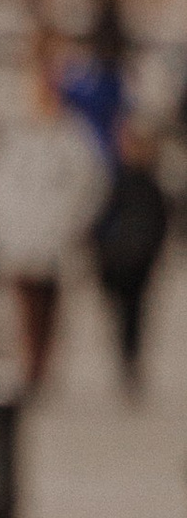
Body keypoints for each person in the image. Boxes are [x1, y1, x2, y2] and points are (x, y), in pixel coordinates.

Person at [0, 67, 109, 394]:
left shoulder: (72, 136)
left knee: (48, 304)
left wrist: (71, 221)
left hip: (55, 235)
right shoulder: (12, 132)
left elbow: (90, 183)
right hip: (19, 234)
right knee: (23, 301)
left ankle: (40, 365)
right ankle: (28, 363)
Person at [88, 116, 170, 398]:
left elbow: (161, 222)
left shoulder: (152, 183)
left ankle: (130, 360)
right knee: (124, 313)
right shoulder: (117, 180)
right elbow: (99, 219)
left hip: (139, 259)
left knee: (134, 313)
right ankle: (126, 357)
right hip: (117, 259)